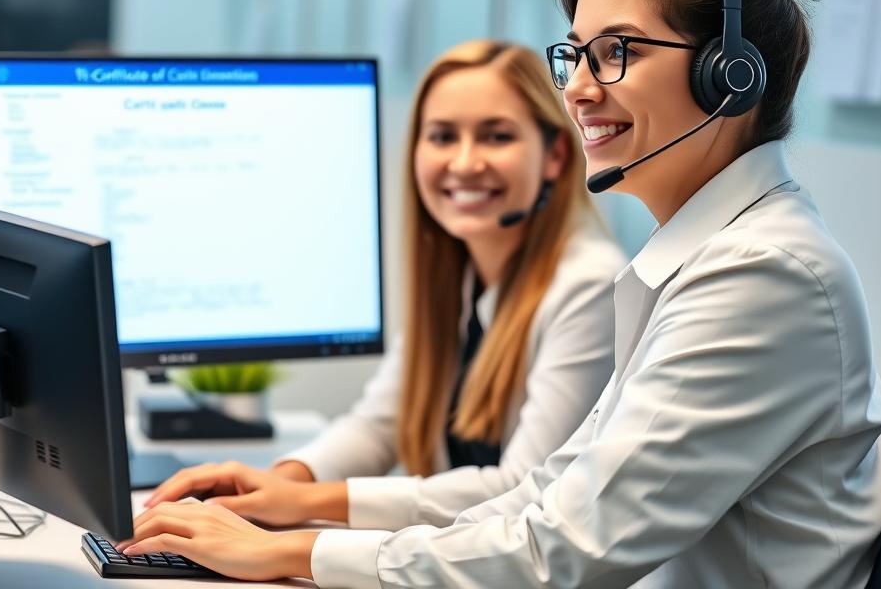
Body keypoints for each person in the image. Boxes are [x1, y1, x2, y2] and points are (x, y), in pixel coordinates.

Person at [118, 0, 881, 588]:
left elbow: (563, 549)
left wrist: (292, 552)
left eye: (616, 52)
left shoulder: (762, 275)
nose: (581, 88)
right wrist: (294, 521)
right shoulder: (707, 260)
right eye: (576, 55)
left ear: (730, 75)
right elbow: (546, 494)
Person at [137, 39, 624, 533]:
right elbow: (380, 424)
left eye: (496, 137)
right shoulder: (463, 277)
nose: (464, 162)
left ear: (555, 156)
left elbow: (526, 488)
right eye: (442, 136)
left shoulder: (588, 285)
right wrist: (275, 483)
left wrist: (307, 502)